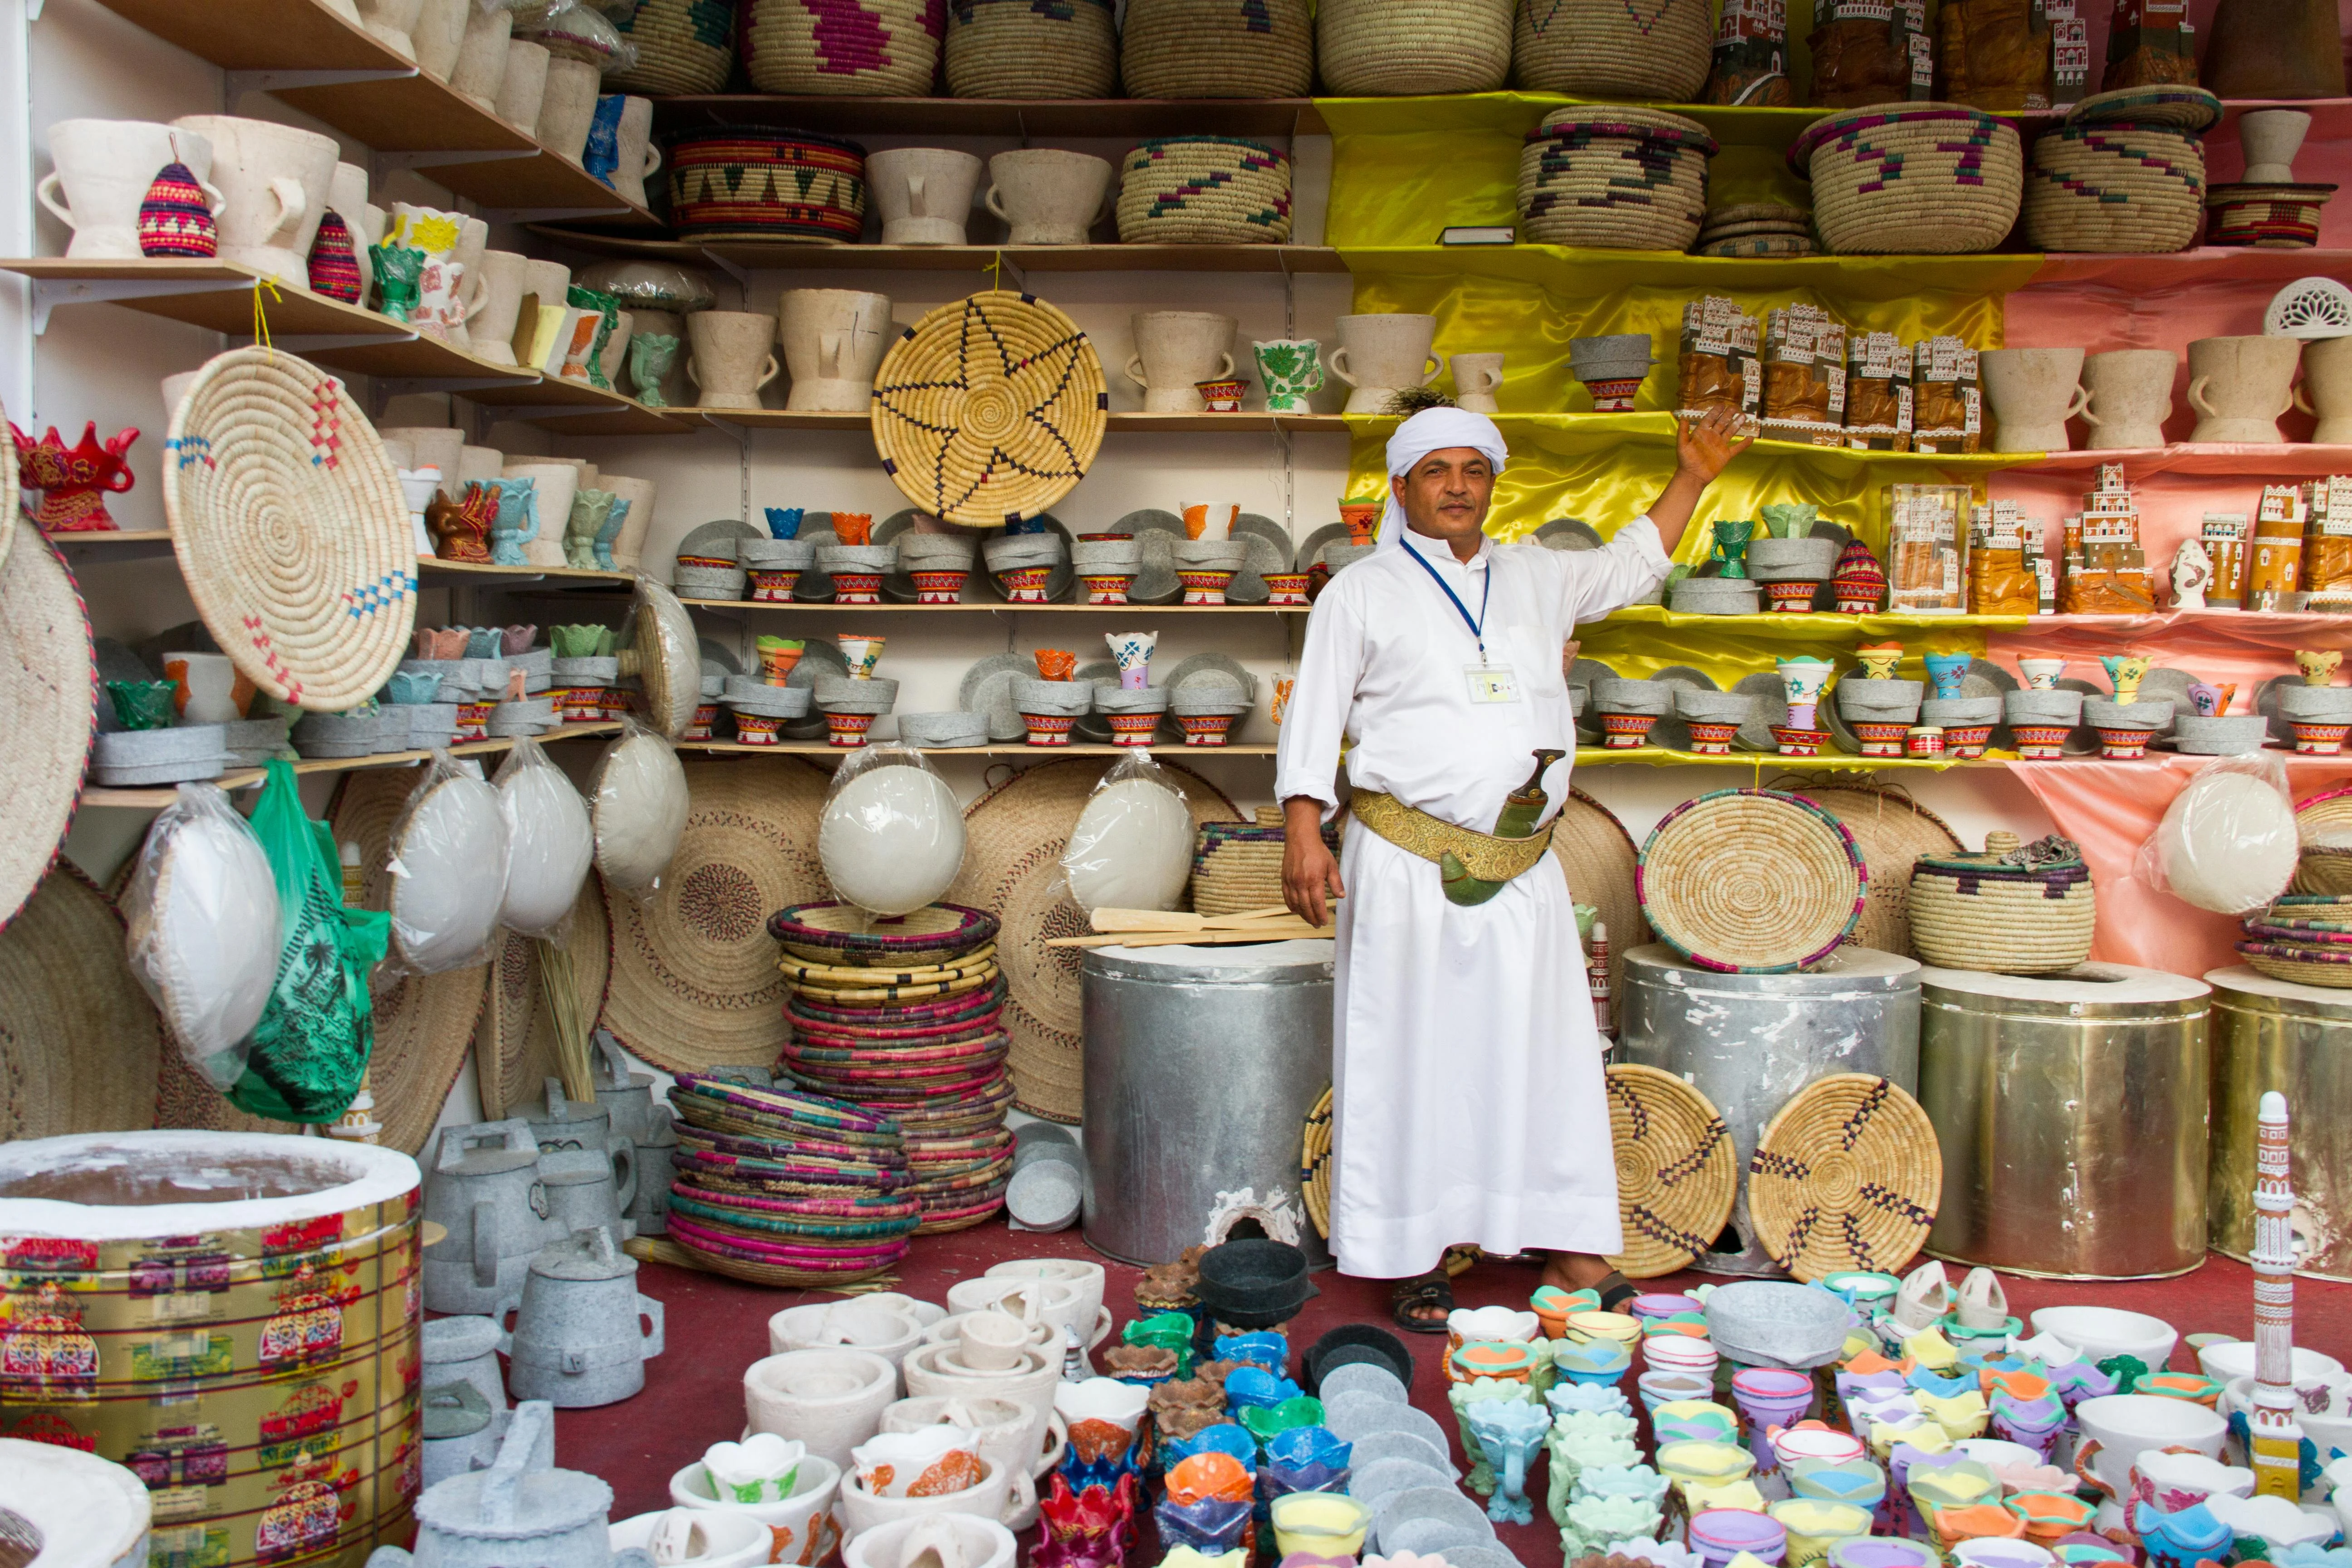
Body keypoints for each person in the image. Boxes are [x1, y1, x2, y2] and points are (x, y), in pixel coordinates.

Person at [1273, 402, 1753, 1330]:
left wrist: (1692, 476)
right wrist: (1304, 827)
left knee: (1542, 1053)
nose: (1458, 486)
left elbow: (1631, 561)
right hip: (1407, 856)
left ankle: (1570, 1242)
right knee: (1411, 1056)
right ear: (1402, 487)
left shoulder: (1538, 577)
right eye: (1437, 470)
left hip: (1524, 863)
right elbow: (1315, 715)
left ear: (1493, 483)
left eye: (1475, 470)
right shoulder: (1360, 592)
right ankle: (1413, 1250)